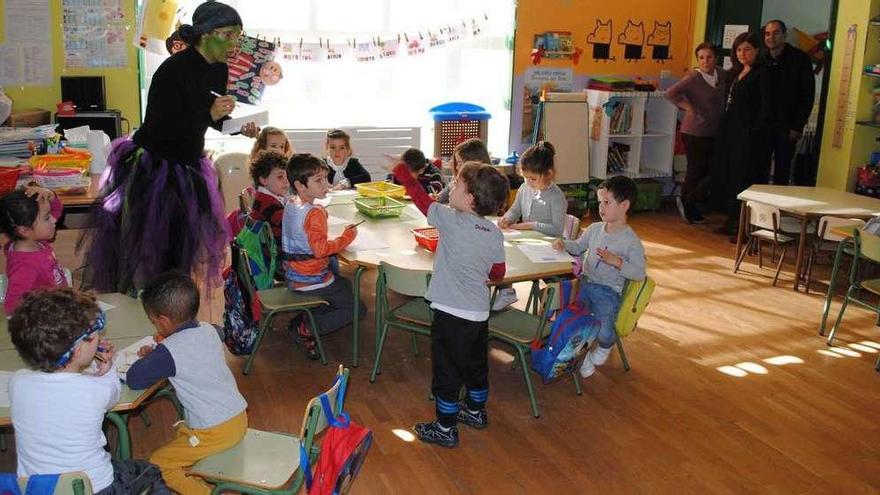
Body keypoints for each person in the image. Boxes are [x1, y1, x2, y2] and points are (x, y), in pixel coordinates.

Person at [78, 1, 259, 294]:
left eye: (237, 34)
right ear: (205, 34)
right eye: (227, 34)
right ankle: (145, 309)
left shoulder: (219, 69)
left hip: (188, 167)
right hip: (155, 169)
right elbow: (162, 129)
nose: (234, 42)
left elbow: (211, 118)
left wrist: (239, 126)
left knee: (181, 249)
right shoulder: (172, 70)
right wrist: (209, 114)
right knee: (149, 252)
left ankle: (173, 307)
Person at [392, 159, 509, 448]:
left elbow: (421, 201)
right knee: (475, 366)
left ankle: (445, 428)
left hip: (449, 312)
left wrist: (403, 174)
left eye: (456, 184)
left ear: (469, 198)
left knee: (447, 371)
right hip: (479, 314)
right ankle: (475, 411)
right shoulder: (494, 232)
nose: (450, 187)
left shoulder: (450, 218)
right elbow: (498, 273)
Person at [8, 288, 169, 494]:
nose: (98, 337)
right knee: (150, 471)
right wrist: (108, 367)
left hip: (38, 489)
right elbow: (112, 393)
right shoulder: (94, 389)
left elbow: (57, 394)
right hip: (94, 487)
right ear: (77, 350)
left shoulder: (18, 382)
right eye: (94, 335)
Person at [126, 271, 248, 495]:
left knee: (160, 464)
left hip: (215, 431)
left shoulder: (170, 351)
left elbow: (134, 379)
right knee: (182, 439)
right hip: (237, 417)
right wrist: (161, 348)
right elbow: (192, 352)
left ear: (163, 320)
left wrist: (157, 353)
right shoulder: (209, 329)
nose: (155, 327)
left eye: (155, 322)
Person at [552, 176, 646, 378]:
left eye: (606, 202)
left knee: (604, 329)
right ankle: (582, 359)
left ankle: (605, 346)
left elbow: (639, 273)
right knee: (573, 320)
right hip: (586, 283)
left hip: (608, 291)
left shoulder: (631, 241)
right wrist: (564, 244)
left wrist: (618, 262)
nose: (600, 207)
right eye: (599, 201)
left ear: (624, 206)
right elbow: (578, 247)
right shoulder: (595, 229)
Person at [283, 154, 366, 359]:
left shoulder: (291, 203)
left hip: (293, 275)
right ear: (300, 185)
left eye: (326, 178)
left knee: (344, 284)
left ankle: (306, 317)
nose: (327, 184)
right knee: (358, 309)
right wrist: (347, 237)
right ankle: (308, 327)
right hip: (311, 279)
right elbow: (321, 250)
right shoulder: (314, 213)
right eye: (318, 180)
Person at [494, 141, 567, 310]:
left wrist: (529, 225)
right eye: (525, 178)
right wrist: (507, 219)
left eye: (533, 179)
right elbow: (515, 209)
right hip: (527, 241)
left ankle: (512, 291)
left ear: (549, 174)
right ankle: (507, 291)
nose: (528, 182)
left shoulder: (557, 197)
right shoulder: (524, 188)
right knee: (503, 252)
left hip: (549, 247)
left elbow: (556, 229)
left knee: (513, 256)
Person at [710, 31, 769, 237]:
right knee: (730, 175)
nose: (743, 53)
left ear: (757, 51)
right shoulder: (735, 73)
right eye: (739, 49)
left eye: (748, 49)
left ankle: (745, 227)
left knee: (744, 177)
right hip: (730, 131)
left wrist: (754, 131)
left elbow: (764, 107)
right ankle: (731, 218)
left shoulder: (763, 73)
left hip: (749, 134)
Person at [665, 42, 726, 224]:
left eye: (709, 57)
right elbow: (670, 93)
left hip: (714, 131)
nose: (705, 61)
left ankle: (696, 204)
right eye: (701, 58)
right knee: (695, 170)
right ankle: (686, 202)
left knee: (710, 170)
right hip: (694, 130)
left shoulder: (722, 74)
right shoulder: (693, 78)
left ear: (716, 58)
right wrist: (688, 107)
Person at [759, 19, 815, 186]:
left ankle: (777, 207)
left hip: (787, 126)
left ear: (784, 35)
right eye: (768, 34)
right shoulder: (761, 58)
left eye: (776, 33)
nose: (771, 37)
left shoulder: (800, 59)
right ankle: (760, 206)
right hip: (763, 124)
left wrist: (797, 126)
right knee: (759, 166)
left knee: (782, 169)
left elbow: (807, 95)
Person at [0, 185, 67, 313]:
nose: (53, 221)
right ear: (25, 230)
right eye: (47, 218)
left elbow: (56, 210)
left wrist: (50, 196)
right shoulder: (25, 265)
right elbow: (12, 305)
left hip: (57, 305)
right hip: (46, 317)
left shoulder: (36, 241)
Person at [248, 151, 290, 250]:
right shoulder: (267, 202)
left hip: (278, 246)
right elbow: (289, 224)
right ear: (263, 180)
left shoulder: (266, 196)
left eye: (287, 176)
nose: (286, 181)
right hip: (278, 253)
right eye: (280, 177)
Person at [435, 137, 491, 204]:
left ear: (476, 162)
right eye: (457, 163)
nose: (457, 167)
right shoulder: (457, 182)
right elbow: (439, 199)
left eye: (460, 163)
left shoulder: (487, 188)